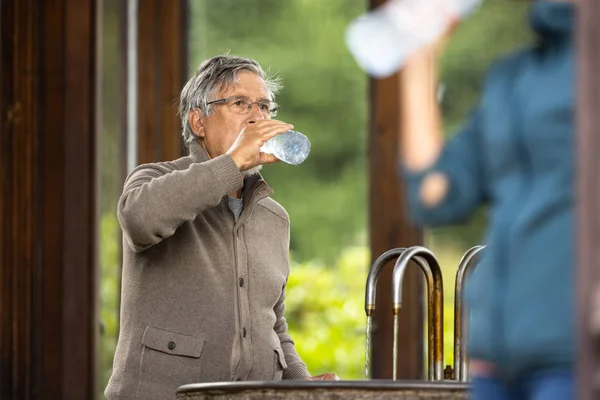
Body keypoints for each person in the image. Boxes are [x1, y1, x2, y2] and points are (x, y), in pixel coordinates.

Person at [105, 55, 339, 400]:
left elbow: (272, 325)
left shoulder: (274, 217)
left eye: (264, 106)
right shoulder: (153, 179)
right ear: (199, 122)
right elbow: (140, 219)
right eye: (240, 103)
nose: (257, 116)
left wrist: (305, 387)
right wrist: (232, 162)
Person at [399, 1, 575, 399]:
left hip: (573, 358)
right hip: (497, 362)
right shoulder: (511, 78)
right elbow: (435, 194)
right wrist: (419, 59)